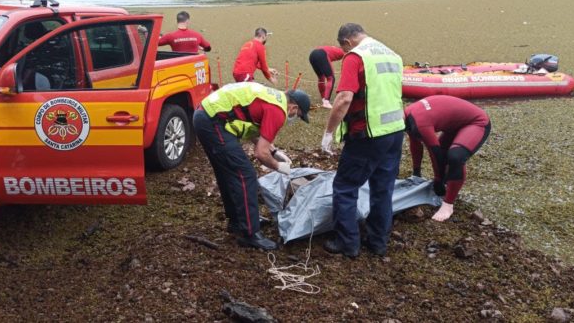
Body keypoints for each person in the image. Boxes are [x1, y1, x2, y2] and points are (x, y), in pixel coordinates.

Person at [193, 82, 311, 250]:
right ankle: (249, 233)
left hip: (206, 115)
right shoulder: (278, 111)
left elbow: (253, 127)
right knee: (245, 174)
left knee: (227, 173)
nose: (295, 117)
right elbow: (260, 154)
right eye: (298, 115)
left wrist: (275, 151)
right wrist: (280, 166)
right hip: (213, 121)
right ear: (293, 107)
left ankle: (238, 222)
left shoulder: (273, 97)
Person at [320, 23, 405, 258]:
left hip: (368, 133)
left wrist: (329, 133)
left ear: (347, 42)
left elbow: (344, 99)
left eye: (343, 49)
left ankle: (347, 243)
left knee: (345, 187)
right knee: (383, 189)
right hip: (395, 131)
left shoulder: (356, 57)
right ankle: (378, 243)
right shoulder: (392, 54)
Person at [404, 95, 491, 222]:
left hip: (477, 122)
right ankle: (446, 186)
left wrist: (438, 180)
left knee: (455, 156)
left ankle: (448, 205)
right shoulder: (407, 116)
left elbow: (435, 154)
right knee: (445, 155)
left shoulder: (420, 124)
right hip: (455, 125)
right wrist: (416, 173)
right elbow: (415, 145)